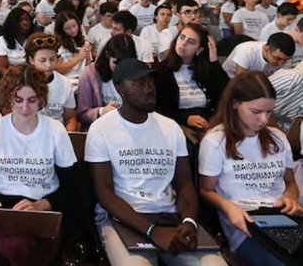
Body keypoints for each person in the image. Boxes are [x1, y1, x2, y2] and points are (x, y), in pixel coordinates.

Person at [86, 59, 226, 266]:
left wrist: (189, 221)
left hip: (168, 216)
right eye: (139, 84)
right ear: (119, 89)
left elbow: (185, 184)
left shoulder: (170, 127)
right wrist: (152, 231)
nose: (149, 89)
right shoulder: (101, 129)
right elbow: (105, 194)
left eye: (151, 83)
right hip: (122, 218)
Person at [0, 63, 78, 265]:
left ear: (41, 98)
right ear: (9, 97)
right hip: (4, 205)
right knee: (14, 248)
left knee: (27, 250)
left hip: (44, 206)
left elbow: (72, 184)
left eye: (32, 100)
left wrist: (41, 205)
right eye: (18, 100)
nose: (25, 108)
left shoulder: (55, 130)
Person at [199, 72, 302, 266]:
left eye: (269, 112)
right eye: (256, 112)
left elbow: (290, 182)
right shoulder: (216, 141)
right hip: (245, 222)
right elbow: (206, 190)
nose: (263, 120)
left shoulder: (277, 137)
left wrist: (290, 196)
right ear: (235, 104)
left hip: (280, 216)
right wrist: (229, 207)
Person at [155, 23, 229, 132]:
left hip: (208, 122)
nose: (183, 43)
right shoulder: (162, 70)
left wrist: (214, 61)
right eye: (182, 37)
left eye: (191, 42)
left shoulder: (206, 70)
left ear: (199, 49)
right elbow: (159, 109)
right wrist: (186, 118)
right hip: (176, 124)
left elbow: (226, 94)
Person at [77, 35, 136, 131]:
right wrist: (102, 111)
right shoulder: (89, 74)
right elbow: (82, 116)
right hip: (101, 129)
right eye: (116, 63)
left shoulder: (138, 75)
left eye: (125, 64)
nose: (120, 69)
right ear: (107, 55)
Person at [25, 33, 78, 131]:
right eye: (42, 60)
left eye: (52, 59)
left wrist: (68, 135)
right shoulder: (22, 82)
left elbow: (70, 117)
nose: (48, 65)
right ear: (31, 60)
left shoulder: (65, 83)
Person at [222, 33, 295, 78]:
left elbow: (280, 79)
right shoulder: (247, 51)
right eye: (278, 58)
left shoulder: (285, 59)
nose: (281, 63)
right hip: (230, 78)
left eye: (286, 60)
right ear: (266, 49)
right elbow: (241, 81)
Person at [54, 11, 92, 84]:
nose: (73, 30)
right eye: (68, 28)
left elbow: (88, 67)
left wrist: (87, 54)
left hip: (83, 80)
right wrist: (79, 57)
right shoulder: (58, 45)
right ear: (62, 30)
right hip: (66, 82)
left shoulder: (84, 42)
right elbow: (59, 69)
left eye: (74, 26)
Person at [0, 8, 34, 76]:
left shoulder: (35, 39)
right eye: (21, 20)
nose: (25, 23)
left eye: (27, 20)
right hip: (11, 80)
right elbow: (3, 68)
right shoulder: (2, 41)